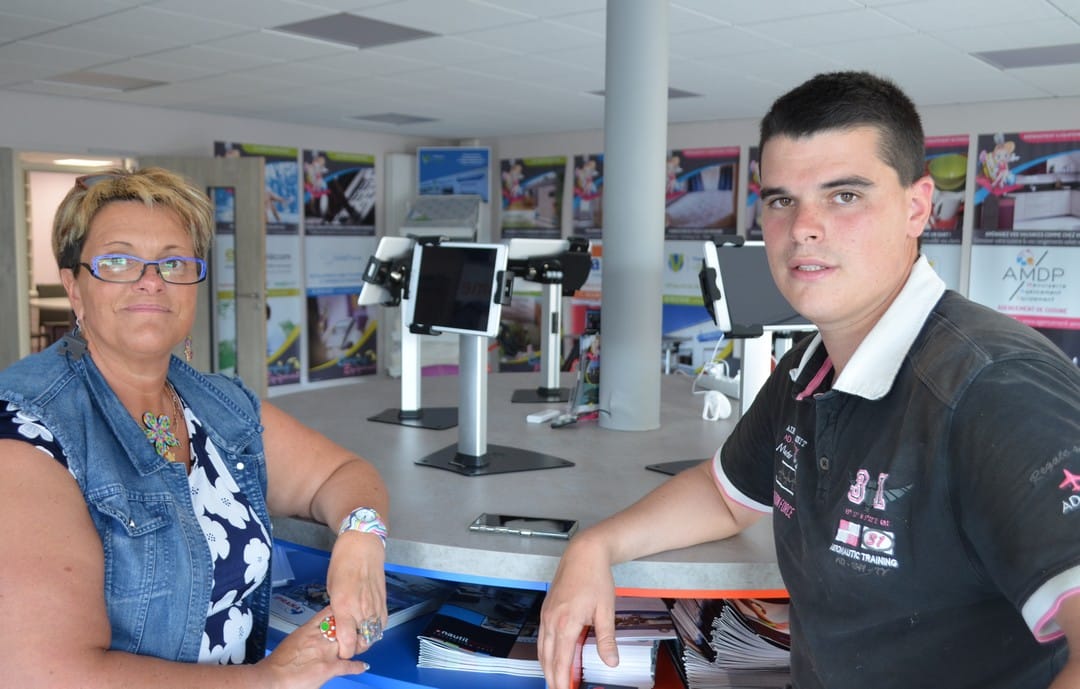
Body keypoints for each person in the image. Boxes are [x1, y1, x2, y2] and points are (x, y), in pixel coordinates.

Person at [538, 71, 1080, 689]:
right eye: (780, 200)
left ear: (917, 206)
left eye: (844, 195)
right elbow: (723, 496)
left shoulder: (996, 387)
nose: (802, 228)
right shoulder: (807, 365)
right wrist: (594, 548)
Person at [0, 167, 390, 687]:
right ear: (74, 286)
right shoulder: (28, 431)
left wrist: (361, 540)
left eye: (173, 262)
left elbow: (340, 473)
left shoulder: (215, 403)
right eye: (118, 261)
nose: (151, 280)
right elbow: (42, 674)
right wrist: (269, 680)